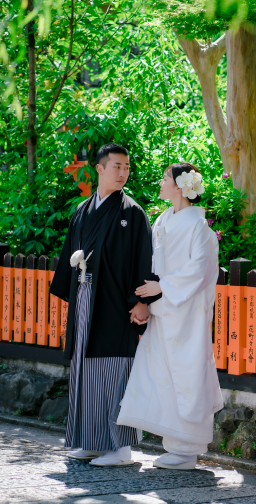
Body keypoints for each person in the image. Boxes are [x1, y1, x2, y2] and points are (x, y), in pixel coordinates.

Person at [49, 143, 159, 467]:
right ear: (99, 168)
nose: (123, 173)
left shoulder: (132, 213)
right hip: (86, 298)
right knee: (85, 369)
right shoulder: (82, 211)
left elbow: (144, 258)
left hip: (116, 304)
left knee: (114, 371)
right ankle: (91, 441)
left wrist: (143, 301)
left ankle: (121, 447)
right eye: (116, 166)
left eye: (127, 167)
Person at [117, 162, 223, 471]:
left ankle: (187, 448)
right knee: (158, 373)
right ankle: (174, 444)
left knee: (187, 373)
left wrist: (162, 287)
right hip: (164, 309)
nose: (161, 182)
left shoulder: (199, 228)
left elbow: (199, 270)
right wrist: (147, 300)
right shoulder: (162, 220)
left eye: (165, 178)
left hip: (186, 315)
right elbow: (152, 264)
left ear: (180, 186)